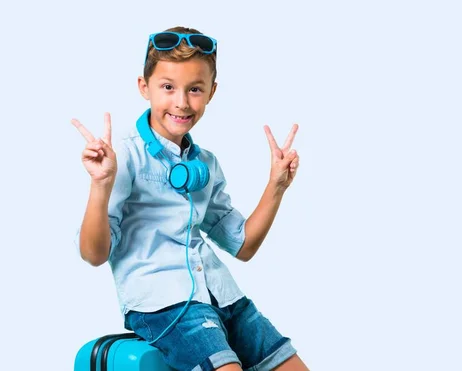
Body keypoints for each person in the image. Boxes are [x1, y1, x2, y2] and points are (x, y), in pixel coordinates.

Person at [71, 26, 308, 371]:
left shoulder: (205, 164)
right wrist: (101, 183)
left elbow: (243, 246)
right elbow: (93, 254)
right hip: (166, 304)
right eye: (167, 87)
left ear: (211, 92)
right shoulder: (121, 157)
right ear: (144, 87)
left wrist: (276, 186)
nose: (181, 102)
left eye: (195, 89)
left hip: (224, 297)